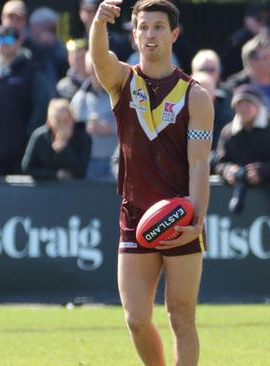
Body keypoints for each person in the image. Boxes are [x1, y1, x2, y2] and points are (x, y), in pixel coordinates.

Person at [90, 1, 214, 365]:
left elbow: (199, 163)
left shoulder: (196, 96)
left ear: (174, 34)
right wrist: (98, 24)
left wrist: (197, 220)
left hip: (179, 217)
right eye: (143, 27)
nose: (150, 34)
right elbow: (99, 60)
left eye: (159, 27)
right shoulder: (122, 81)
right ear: (134, 34)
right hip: (135, 215)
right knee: (136, 319)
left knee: (181, 317)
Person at [0, 25, 52, 177]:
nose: (5, 43)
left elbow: (42, 106)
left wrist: (30, 137)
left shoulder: (32, 70)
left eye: (10, 38)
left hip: (22, 152)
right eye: (0, 39)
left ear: (19, 42)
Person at [213, 85, 270, 186]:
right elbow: (220, 163)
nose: (244, 108)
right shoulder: (228, 132)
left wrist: (263, 171)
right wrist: (228, 170)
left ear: (258, 105)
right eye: (240, 103)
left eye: (249, 103)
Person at [70, 52, 117, 181]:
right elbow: (71, 129)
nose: (98, 75)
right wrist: (85, 129)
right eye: (94, 69)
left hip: (117, 161)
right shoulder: (79, 98)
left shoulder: (121, 95)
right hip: (88, 162)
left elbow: (135, 128)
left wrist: (112, 129)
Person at [22, 98, 92, 180]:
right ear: (50, 121)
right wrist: (54, 175)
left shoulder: (84, 138)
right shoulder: (39, 136)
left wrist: (64, 150)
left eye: (65, 120)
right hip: (46, 189)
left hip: (74, 190)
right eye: (58, 121)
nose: (62, 125)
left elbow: (81, 172)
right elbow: (27, 168)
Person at [190, 49, 233, 149]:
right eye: (202, 69)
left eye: (211, 70)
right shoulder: (179, 104)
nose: (207, 73)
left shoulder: (227, 103)